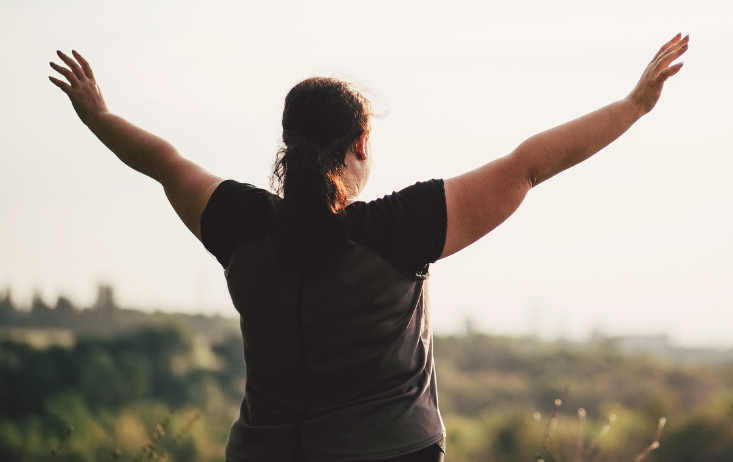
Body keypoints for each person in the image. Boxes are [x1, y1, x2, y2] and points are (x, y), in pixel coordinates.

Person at [49, 33, 689, 462]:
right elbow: (527, 167)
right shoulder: (400, 229)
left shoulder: (239, 224)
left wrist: (99, 115)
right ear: (360, 142)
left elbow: (164, 162)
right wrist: (634, 105)